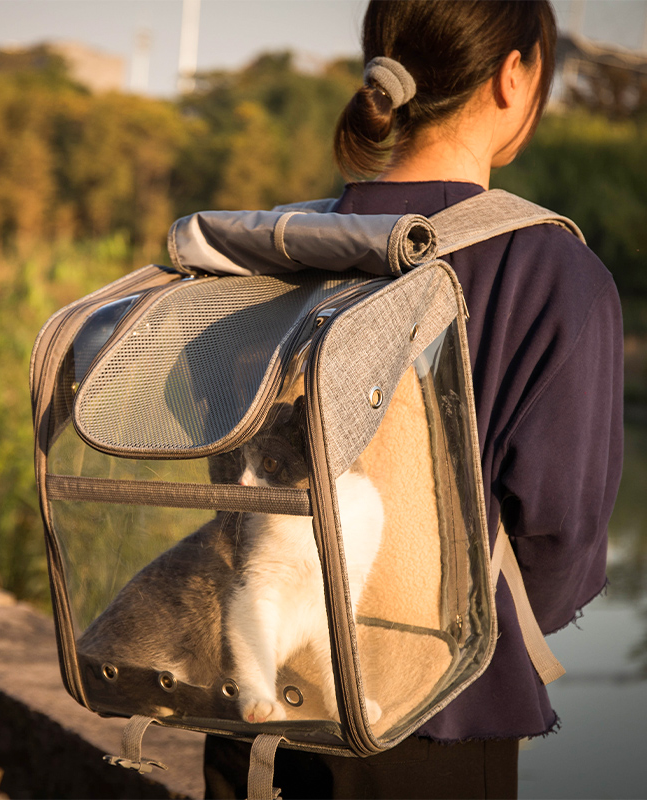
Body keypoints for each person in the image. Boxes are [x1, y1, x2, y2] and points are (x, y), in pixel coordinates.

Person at [203, 1, 624, 798]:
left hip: (247, 703)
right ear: (514, 74)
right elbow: (561, 541)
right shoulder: (557, 279)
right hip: (432, 718)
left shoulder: (281, 245)